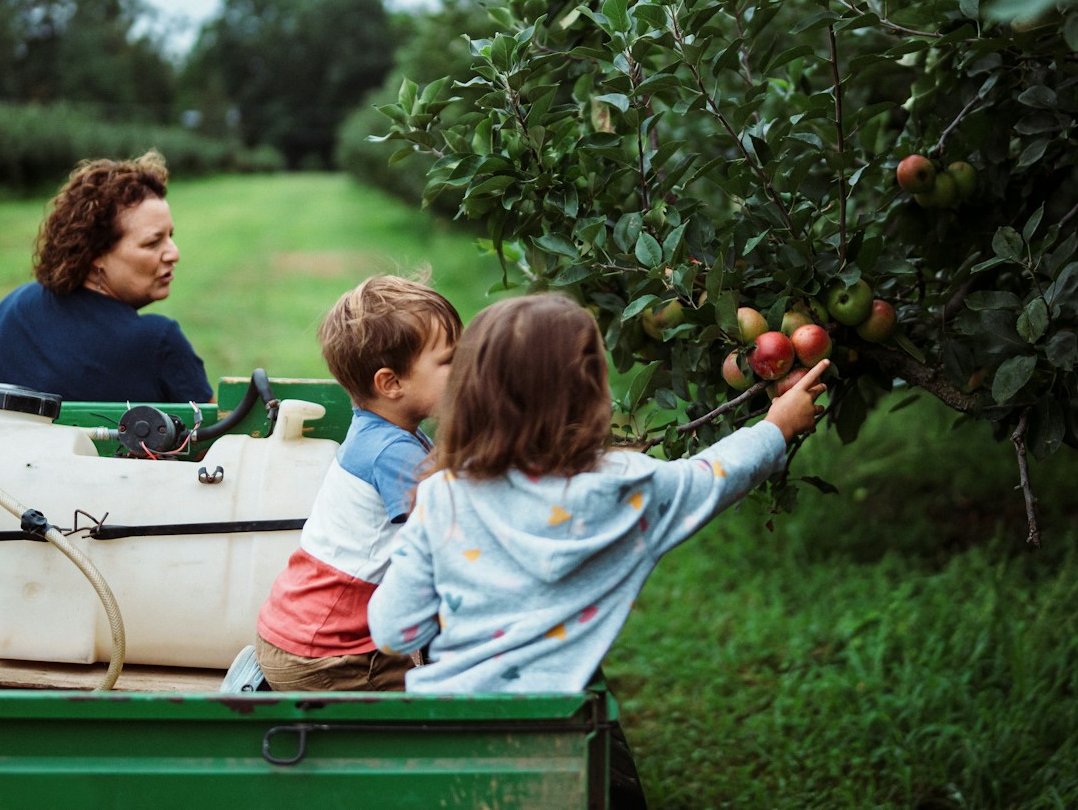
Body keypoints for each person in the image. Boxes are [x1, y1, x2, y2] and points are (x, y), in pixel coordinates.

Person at [367, 293, 829, 693]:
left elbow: (393, 631)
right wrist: (776, 427)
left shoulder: (443, 496)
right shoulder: (624, 487)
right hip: (560, 728)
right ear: (591, 391)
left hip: (450, 728)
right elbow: (713, 475)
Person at [253, 275, 461, 692]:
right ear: (391, 384)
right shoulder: (392, 454)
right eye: (449, 361)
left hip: (298, 637)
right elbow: (448, 538)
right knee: (448, 694)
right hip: (327, 657)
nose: (465, 370)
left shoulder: (384, 430)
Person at [0, 150, 211, 403]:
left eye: (170, 236)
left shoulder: (10, 311)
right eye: (152, 243)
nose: (174, 253)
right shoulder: (157, 342)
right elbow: (217, 438)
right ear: (96, 254)